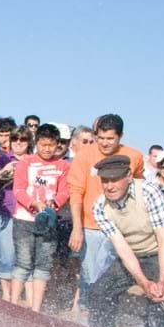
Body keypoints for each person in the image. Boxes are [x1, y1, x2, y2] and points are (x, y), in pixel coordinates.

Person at [85, 156, 164, 327]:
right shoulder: (100, 207)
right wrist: (143, 281)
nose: (109, 186)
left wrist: (161, 281)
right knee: (99, 292)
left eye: (115, 179)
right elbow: (122, 249)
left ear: (129, 176)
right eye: (105, 181)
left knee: (158, 301)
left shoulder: (149, 191)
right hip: (134, 252)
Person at [67, 113, 145, 315]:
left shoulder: (134, 156)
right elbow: (75, 192)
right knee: (90, 276)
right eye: (100, 137)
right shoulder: (85, 155)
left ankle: (106, 318)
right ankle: (88, 316)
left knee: (112, 277)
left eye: (110, 138)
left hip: (120, 228)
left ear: (120, 137)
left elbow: (138, 188)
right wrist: (77, 228)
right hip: (91, 227)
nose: (104, 143)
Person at [10, 124, 70, 312]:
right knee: (23, 263)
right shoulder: (26, 162)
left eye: (51, 145)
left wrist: (53, 204)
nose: (47, 149)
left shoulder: (63, 166)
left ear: (57, 144)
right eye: (43, 145)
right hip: (24, 219)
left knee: (43, 265)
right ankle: (12, 304)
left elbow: (65, 192)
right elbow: (18, 189)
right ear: (36, 143)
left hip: (49, 222)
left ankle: (36, 309)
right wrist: (33, 203)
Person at [0, 125, 31, 300]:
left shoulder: (34, 160)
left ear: (29, 142)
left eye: (23, 139)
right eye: (15, 139)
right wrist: (1, 174)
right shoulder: (3, 159)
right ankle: (7, 296)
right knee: (6, 255)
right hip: (6, 210)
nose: (19, 143)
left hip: (28, 213)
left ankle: (22, 297)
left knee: (26, 255)